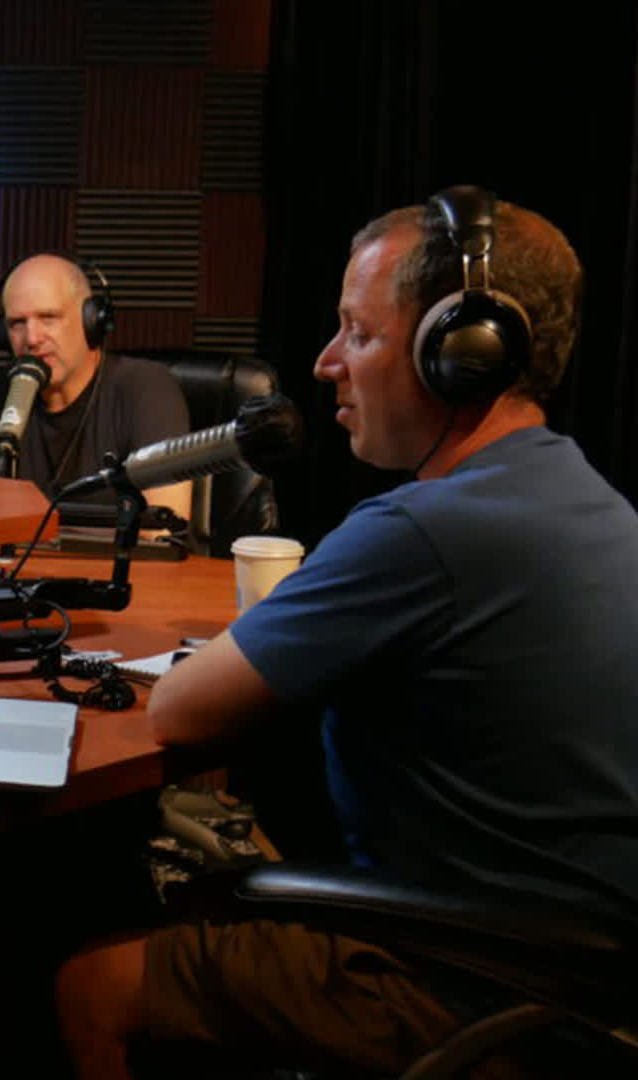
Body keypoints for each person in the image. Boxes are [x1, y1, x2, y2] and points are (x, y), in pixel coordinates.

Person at [53, 191, 638, 1077]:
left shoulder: (425, 529)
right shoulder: (588, 496)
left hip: (480, 976)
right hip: (592, 960)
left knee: (91, 986)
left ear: (461, 356)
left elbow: (177, 711)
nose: (326, 363)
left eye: (359, 333)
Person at [0, 253, 193, 523]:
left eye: (48, 317)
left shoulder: (145, 389)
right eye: (18, 323)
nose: (32, 338)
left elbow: (163, 532)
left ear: (91, 320)